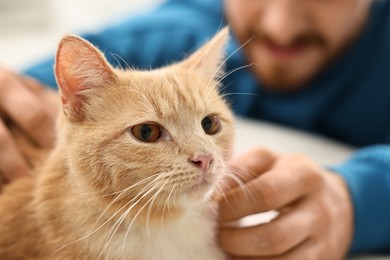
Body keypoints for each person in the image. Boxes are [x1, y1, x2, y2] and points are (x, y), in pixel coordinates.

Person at [1, 0, 390, 258]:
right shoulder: (189, 29)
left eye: (209, 124)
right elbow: (30, 88)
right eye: (150, 132)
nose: (280, 25)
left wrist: (356, 197)